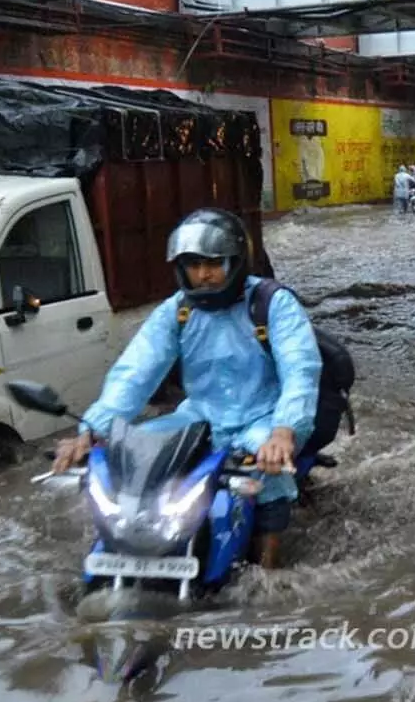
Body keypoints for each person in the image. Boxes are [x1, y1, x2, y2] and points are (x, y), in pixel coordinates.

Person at [49, 208, 322, 569]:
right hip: (199, 417)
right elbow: (134, 373)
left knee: (265, 468)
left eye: (214, 263)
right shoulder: (177, 312)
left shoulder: (273, 303)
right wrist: (91, 431)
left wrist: (285, 431)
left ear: (236, 262)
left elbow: (300, 370)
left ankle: (268, 570)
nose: (204, 274)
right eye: (194, 264)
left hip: (264, 418)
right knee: (134, 451)